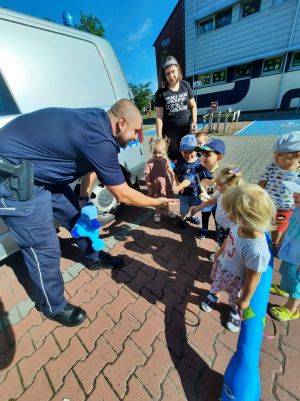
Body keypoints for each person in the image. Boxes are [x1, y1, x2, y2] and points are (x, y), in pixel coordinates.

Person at [0, 99, 175, 327]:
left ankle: (93, 257)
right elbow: (123, 194)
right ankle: (52, 306)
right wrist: (155, 202)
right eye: (135, 131)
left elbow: (91, 165)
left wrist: (82, 200)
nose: (136, 137)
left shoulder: (98, 121)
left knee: (78, 217)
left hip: (38, 171)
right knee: (43, 246)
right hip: (13, 176)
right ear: (121, 123)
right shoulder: (101, 139)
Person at [201, 184, 275, 333]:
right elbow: (229, 239)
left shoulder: (257, 250)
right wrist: (218, 253)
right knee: (217, 282)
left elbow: (253, 279)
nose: (226, 212)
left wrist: (245, 300)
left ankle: (234, 309)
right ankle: (214, 294)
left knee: (235, 298)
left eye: (229, 211)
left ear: (245, 216)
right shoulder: (238, 225)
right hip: (224, 265)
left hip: (238, 279)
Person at [259, 132, 300, 254]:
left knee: (279, 227)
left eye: (280, 155)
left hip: (285, 210)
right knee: (267, 224)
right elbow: (263, 181)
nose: (275, 157)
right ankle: (267, 241)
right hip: (268, 206)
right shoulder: (272, 167)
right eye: (274, 154)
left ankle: (275, 244)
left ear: (297, 155)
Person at [190, 165, 243, 257]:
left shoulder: (237, 198)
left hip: (231, 228)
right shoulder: (220, 191)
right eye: (216, 183)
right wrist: (198, 207)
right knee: (220, 240)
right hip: (220, 224)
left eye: (219, 184)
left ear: (230, 184)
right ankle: (221, 252)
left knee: (228, 244)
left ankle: (222, 256)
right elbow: (212, 200)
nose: (216, 186)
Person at [155, 56, 198, 161]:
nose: (171, 75)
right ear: (164, 76)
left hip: (186, 131)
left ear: (178, 70)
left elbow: (193, 105)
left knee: (188, 155)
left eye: (173, 71)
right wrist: (160, 138)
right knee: (174, 158)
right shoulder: (160, 93)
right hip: (171, 134)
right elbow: (159, 118)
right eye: (168, 73)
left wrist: (194, 122)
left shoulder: (186, 85)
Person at [270, 179, 300, 321]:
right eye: (295, 192)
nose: (294, 196)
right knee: (285, 271)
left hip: (298, 260)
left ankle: (291, 309)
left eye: (299, 194)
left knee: (296, 285)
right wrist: (281, 241)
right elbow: (289, 226)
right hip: (290, 252)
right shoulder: (297, 208)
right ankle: (283, 288)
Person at [196, 138, 225, 239]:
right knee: (205, 216)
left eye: (207, 155)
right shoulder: (199, 168)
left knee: (217, 217)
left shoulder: (223, 172)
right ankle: (204, 229)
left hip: (218, 203)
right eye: (202, 154)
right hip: (205, 201)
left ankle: (219, 232)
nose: (203, 157)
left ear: (219, 157)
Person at [144, 137, 176, 223]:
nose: (157, 155)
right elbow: (147, 177)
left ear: (164, 151)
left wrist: (173, 178)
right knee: (157, 200)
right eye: (155, 153)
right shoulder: (149, 163)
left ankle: (167, 210)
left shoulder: (165, 160)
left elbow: (170, 171)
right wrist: (149, 187)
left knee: (166, 198)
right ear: (151, 151)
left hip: (165, 184)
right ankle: (157, 213)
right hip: (155, 185)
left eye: (160, 153)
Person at [173, 134, 202, 228]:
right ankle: (183, 219)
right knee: (184, 208)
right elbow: (176, 174)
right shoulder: (180, 162)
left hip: (196, 192)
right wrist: (178, 184)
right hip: (184, 192)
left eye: (191, 151)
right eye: (185, 152)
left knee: (195, 207)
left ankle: (192, 216)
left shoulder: (200, 163)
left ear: (196, 150)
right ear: (181, 152)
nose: (189, 155)